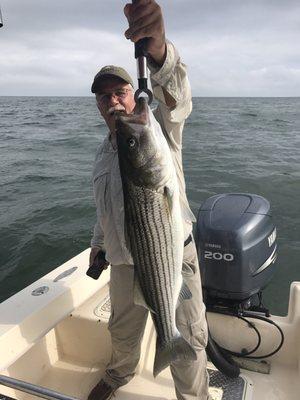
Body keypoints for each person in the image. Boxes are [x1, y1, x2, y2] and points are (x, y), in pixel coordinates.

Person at [88, 1, 209, 399]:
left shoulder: (160, 134)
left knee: (188, 343)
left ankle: (192, 397)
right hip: (124, 261)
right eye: (103, 97)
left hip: (173, 256)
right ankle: (119, 375)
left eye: (120, 92)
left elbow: (177, 99)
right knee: (122, 333)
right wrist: (98, 246)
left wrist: (158, 53)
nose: (113, 102)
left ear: (134, 92)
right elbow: (106, 208)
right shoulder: (108, 150)